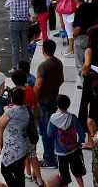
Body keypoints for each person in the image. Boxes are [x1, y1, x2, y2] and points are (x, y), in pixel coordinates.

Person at [35, 39, 64, 168]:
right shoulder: (58, 63)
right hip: (53, 100)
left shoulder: (43, 66)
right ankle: (55, 155)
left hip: (44, 102)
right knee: (52, 128)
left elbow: (38, 85)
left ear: (43, 50)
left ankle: (49, 159)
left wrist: (33, 98)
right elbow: (62, 79)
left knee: (46, 131)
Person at [0, 87, 31, 187]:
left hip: (13, 147)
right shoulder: (26, 109)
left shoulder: (11, 111)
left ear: (11, 99)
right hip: (23, 145)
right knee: (19, 172)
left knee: (5, 170)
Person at [49, 94, 86, 187]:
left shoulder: (53, 119)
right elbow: (81, 133)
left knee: (64, 176)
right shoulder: (73, 117)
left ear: (57, 105)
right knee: (78, 173)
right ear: (68, 104)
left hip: (60, 152)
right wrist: (80, 142)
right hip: (73, 150)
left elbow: (49, 133)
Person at [5, 0, 32, 69]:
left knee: (15, 46)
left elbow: (6, 6)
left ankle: (15, 66)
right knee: (25, 44)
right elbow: (31, 2)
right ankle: (26, 64)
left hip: (14, 23)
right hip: (25, 23)